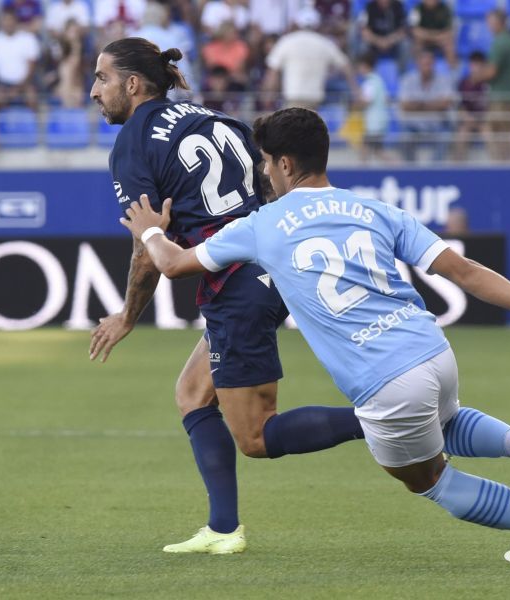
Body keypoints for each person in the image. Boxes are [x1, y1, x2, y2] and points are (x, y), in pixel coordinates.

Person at [121, 107, 510, 565]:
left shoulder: (261, 225)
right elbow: (464, 270)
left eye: (267, 163)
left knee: (432, 482)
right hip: (433, 353)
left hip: (384, 380)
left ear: (285, 164)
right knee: (445, 420)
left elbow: (172, 264)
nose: (265, 174)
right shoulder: (373, 209)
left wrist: (150, 231)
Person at [88, 38, 366, 555]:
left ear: (132, 84)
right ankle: (222, 529)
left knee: (257, 438)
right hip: (270, 264)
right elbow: (273, 186)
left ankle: (389, 418)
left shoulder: (133, 145)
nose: (93, 91)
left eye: (102, 78)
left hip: (235, 283)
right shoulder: (215, 118)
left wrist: (127, 317)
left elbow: (149, 249)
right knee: (193, 394)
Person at [262, 8, 357, 110]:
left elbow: (273, 71)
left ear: (298, 23)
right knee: (311, 124)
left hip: (293, 96)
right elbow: (345, 65)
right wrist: (356, 91)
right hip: (314, 98)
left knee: (291, 124)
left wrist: (268, 95)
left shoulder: (287, 41)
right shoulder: (324, 43)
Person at [481, 9, 510, 161]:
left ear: (499, 23)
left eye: (491, 22)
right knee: (509, 130)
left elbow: (491, 72)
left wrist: (476, 76)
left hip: (501, 96)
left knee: (488, 129)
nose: (489, 26)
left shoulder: (500, 42)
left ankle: (501, 163)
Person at [398, 49, 456, 162]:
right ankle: (411, 170)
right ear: (418, 64)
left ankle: (433, 170)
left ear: (434, 64)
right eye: (424, 64)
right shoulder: (408, 79)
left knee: (446, 136)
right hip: (414, 126)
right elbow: (404, 105)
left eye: (429, 64)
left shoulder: (443, 79)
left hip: (437, 125)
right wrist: (433, 105)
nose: (427, 67)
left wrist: (419, 105)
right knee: (405, 137)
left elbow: (446, 103)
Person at [0, 8, 40, 108]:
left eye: (11, 20)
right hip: (1, 84)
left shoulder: (28, 38)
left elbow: (31, 68)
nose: (8, 23)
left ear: (16, 21)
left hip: (25, 83)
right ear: (0, 22)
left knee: (33, 99)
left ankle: (41, 123)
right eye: (5, 20)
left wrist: (17, 89)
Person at [352, 52, 393, 163]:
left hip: (373, 123)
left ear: (365, 66)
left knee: (369, 150)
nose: (359, 70)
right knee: (375, 150)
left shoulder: (370, 82)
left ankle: (397, 167)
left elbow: (366, 101)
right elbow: (386, 99)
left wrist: (354, 105)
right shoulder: (379, 81)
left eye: (359, 66)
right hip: (379, 121)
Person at [453, 51, 491, 161]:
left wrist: (480, 120)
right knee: (461, 136)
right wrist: (468, 118)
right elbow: (459, 106)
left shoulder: (487, 84)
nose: (477, 68)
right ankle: (457, 168)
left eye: (480, 65)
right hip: (467, 121)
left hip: (483, 121)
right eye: (474, 65)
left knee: (489, 135)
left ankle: (496, 167)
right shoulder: (462, 83)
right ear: (470, 66)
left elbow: (489, 106)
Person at [410, 0, 456, 67]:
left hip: (440, 40)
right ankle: (416, 69)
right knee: (416, 43)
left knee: (449, 44)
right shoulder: (417, 9)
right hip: (424, 40)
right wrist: (433, 35)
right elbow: (414, 30)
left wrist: (429, 35)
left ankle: (452, 70)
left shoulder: (445, 9)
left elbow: (448, 32)